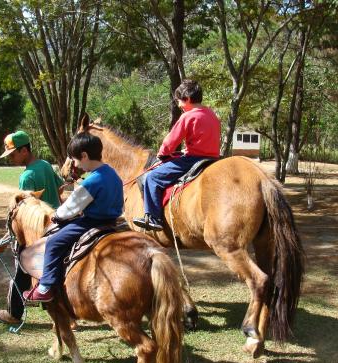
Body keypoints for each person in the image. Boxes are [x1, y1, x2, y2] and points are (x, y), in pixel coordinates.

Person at [23, 132, 123, 302]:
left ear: (84, 156)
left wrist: (57, 215)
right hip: (112, 222)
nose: (75, 165)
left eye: (75, 160)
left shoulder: (92, 181)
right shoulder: (113, 174)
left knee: (54, 242)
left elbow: (70, 209)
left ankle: (45, 286)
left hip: (91, 222)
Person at [0, 130, 65, 325]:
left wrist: (6, 239)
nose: (11, 159)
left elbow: (24, 210)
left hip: (37, 228)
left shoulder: (27, 176)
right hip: (58, 224)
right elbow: (60, 188)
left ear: (24, 150)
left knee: (22, 269)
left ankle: (14, 314)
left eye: (13, 154)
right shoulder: (45, 165)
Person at [133, 79, 221, 231]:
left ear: (186, 99)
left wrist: (162, 154)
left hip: (193, 160)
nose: (179, 105)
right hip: (213, 159)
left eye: (179, 101)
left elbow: (171, 141)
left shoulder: (188, 116)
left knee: (152, 178)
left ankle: (153, 218)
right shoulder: (212, 114)